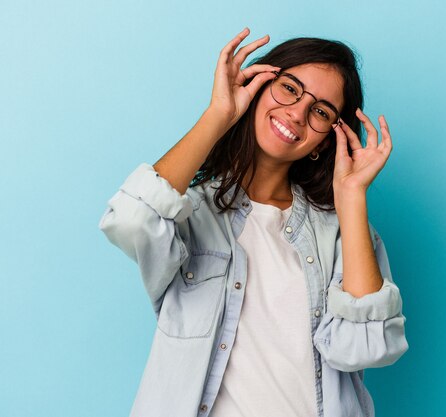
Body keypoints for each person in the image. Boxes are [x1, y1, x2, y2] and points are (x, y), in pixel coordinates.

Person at [99, 27, 408, 417]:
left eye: (320, 111)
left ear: (326, 140)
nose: (297, 113)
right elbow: (128, 221)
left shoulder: (342, 233)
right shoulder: (191, 212)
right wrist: (219, 115)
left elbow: (366, 349)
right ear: (259, 84)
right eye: (290, 88)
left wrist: (351, 197)